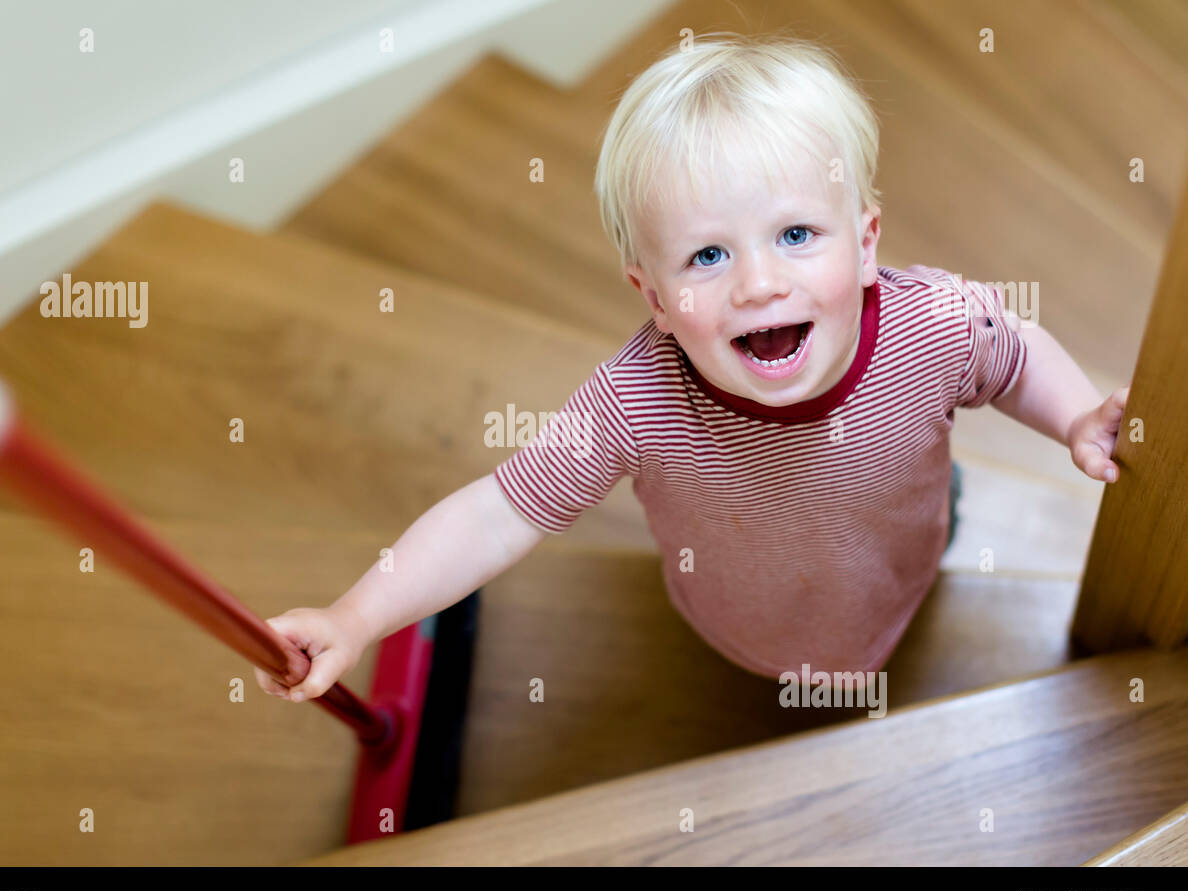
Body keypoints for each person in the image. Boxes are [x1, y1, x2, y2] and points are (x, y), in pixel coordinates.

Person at [257, 32, 1128, 702]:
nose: (758, 282)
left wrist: (1078, 417)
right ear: (653, 295)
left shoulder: (931, 326)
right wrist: (354, 617)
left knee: (918, 550)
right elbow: (497, 512)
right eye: (706, 256)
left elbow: (1013, 358)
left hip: (905, 550)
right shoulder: (636, 404)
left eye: (795, 235)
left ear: (865, 245)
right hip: (741, 617)